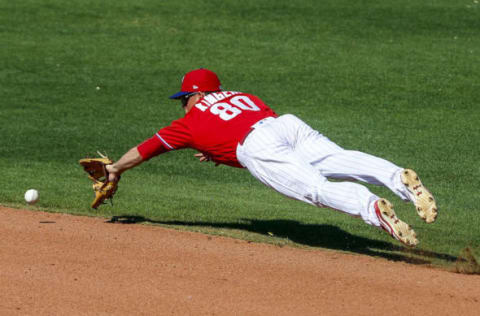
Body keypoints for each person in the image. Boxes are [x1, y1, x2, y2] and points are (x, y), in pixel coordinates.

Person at [105, 68, 438, 247]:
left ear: (198, 94)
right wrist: (219, 150)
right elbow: (243, 127)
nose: (183, 105)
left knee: (315, 188)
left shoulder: (189, 122)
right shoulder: (243, 95)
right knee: (338, 158)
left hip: (258, 145)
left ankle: (371, 209)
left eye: (185, 98)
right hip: (284, 126)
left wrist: (115, 169)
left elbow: (145, 150)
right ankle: (399, 179)